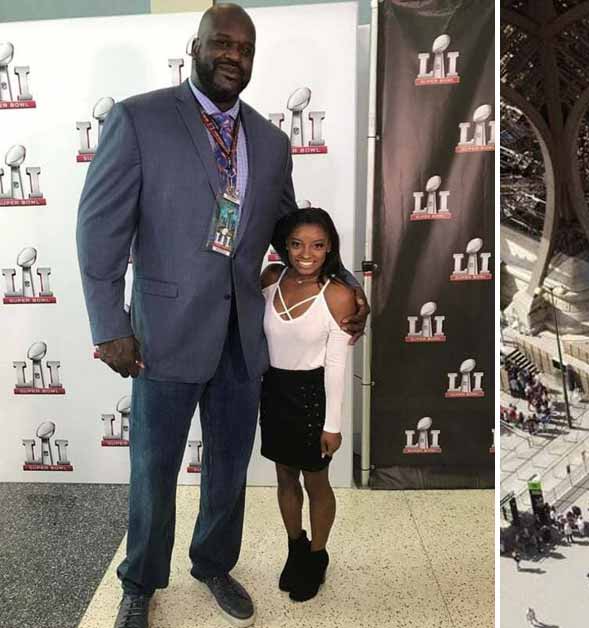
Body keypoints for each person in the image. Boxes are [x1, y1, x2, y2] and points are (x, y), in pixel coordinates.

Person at [76, 6, 370, 626]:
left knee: (230, 464)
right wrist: (110, 327)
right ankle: (141, 579)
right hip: (164, 333)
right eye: (222, 43)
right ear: (196, 47)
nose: (234, 55)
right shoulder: (139, 120)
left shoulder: (269, 139)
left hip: (244, 338)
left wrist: (342, 284)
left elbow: (293, 232)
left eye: (246, 47)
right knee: (155, 468)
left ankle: (213, 563)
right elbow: (99, 231)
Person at [261, 209, 357, 602]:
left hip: (311, 395)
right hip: (274, 392)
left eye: (317, 245)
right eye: (298, 244)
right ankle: (295, 546)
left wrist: (332, 424)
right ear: (285, 246)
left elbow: (337, 365)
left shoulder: (338, 294)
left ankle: (317, 556)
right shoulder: (270, 280)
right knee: (285, 477)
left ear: (330, 247)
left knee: (316, 481)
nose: (306, 253)